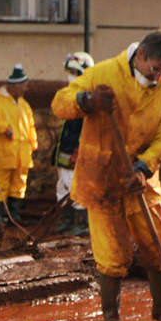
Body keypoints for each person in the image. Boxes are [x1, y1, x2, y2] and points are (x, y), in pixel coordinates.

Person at [53, 27, 161, 321]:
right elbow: (60, 103)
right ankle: (111, 319)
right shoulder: (104, 74)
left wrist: (143, 167)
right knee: (111, 252)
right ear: (140, 56)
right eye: (155, 69)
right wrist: (86, 100)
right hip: (103, 180)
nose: (158, 77)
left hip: (140, 178)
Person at [0, 64, 38, 229]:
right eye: (23, 86)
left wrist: (32, 145)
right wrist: (2, 127)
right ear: (14, 86)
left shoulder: (24, 104)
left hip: (22, 155)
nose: (25, 89)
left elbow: (31, 127)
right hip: (3, 154)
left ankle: (14, 217)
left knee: (19, 185)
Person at [55, 52, 95, 234]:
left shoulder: (88, 101)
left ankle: (81, 223)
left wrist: (79, 149)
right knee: (62, 186)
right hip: (65, 149)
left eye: (75, 72)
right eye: (70, 71)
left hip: (77, 150)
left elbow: (87, 130)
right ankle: (66, 219)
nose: (71, 76)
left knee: (76, 186)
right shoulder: (69, 97)